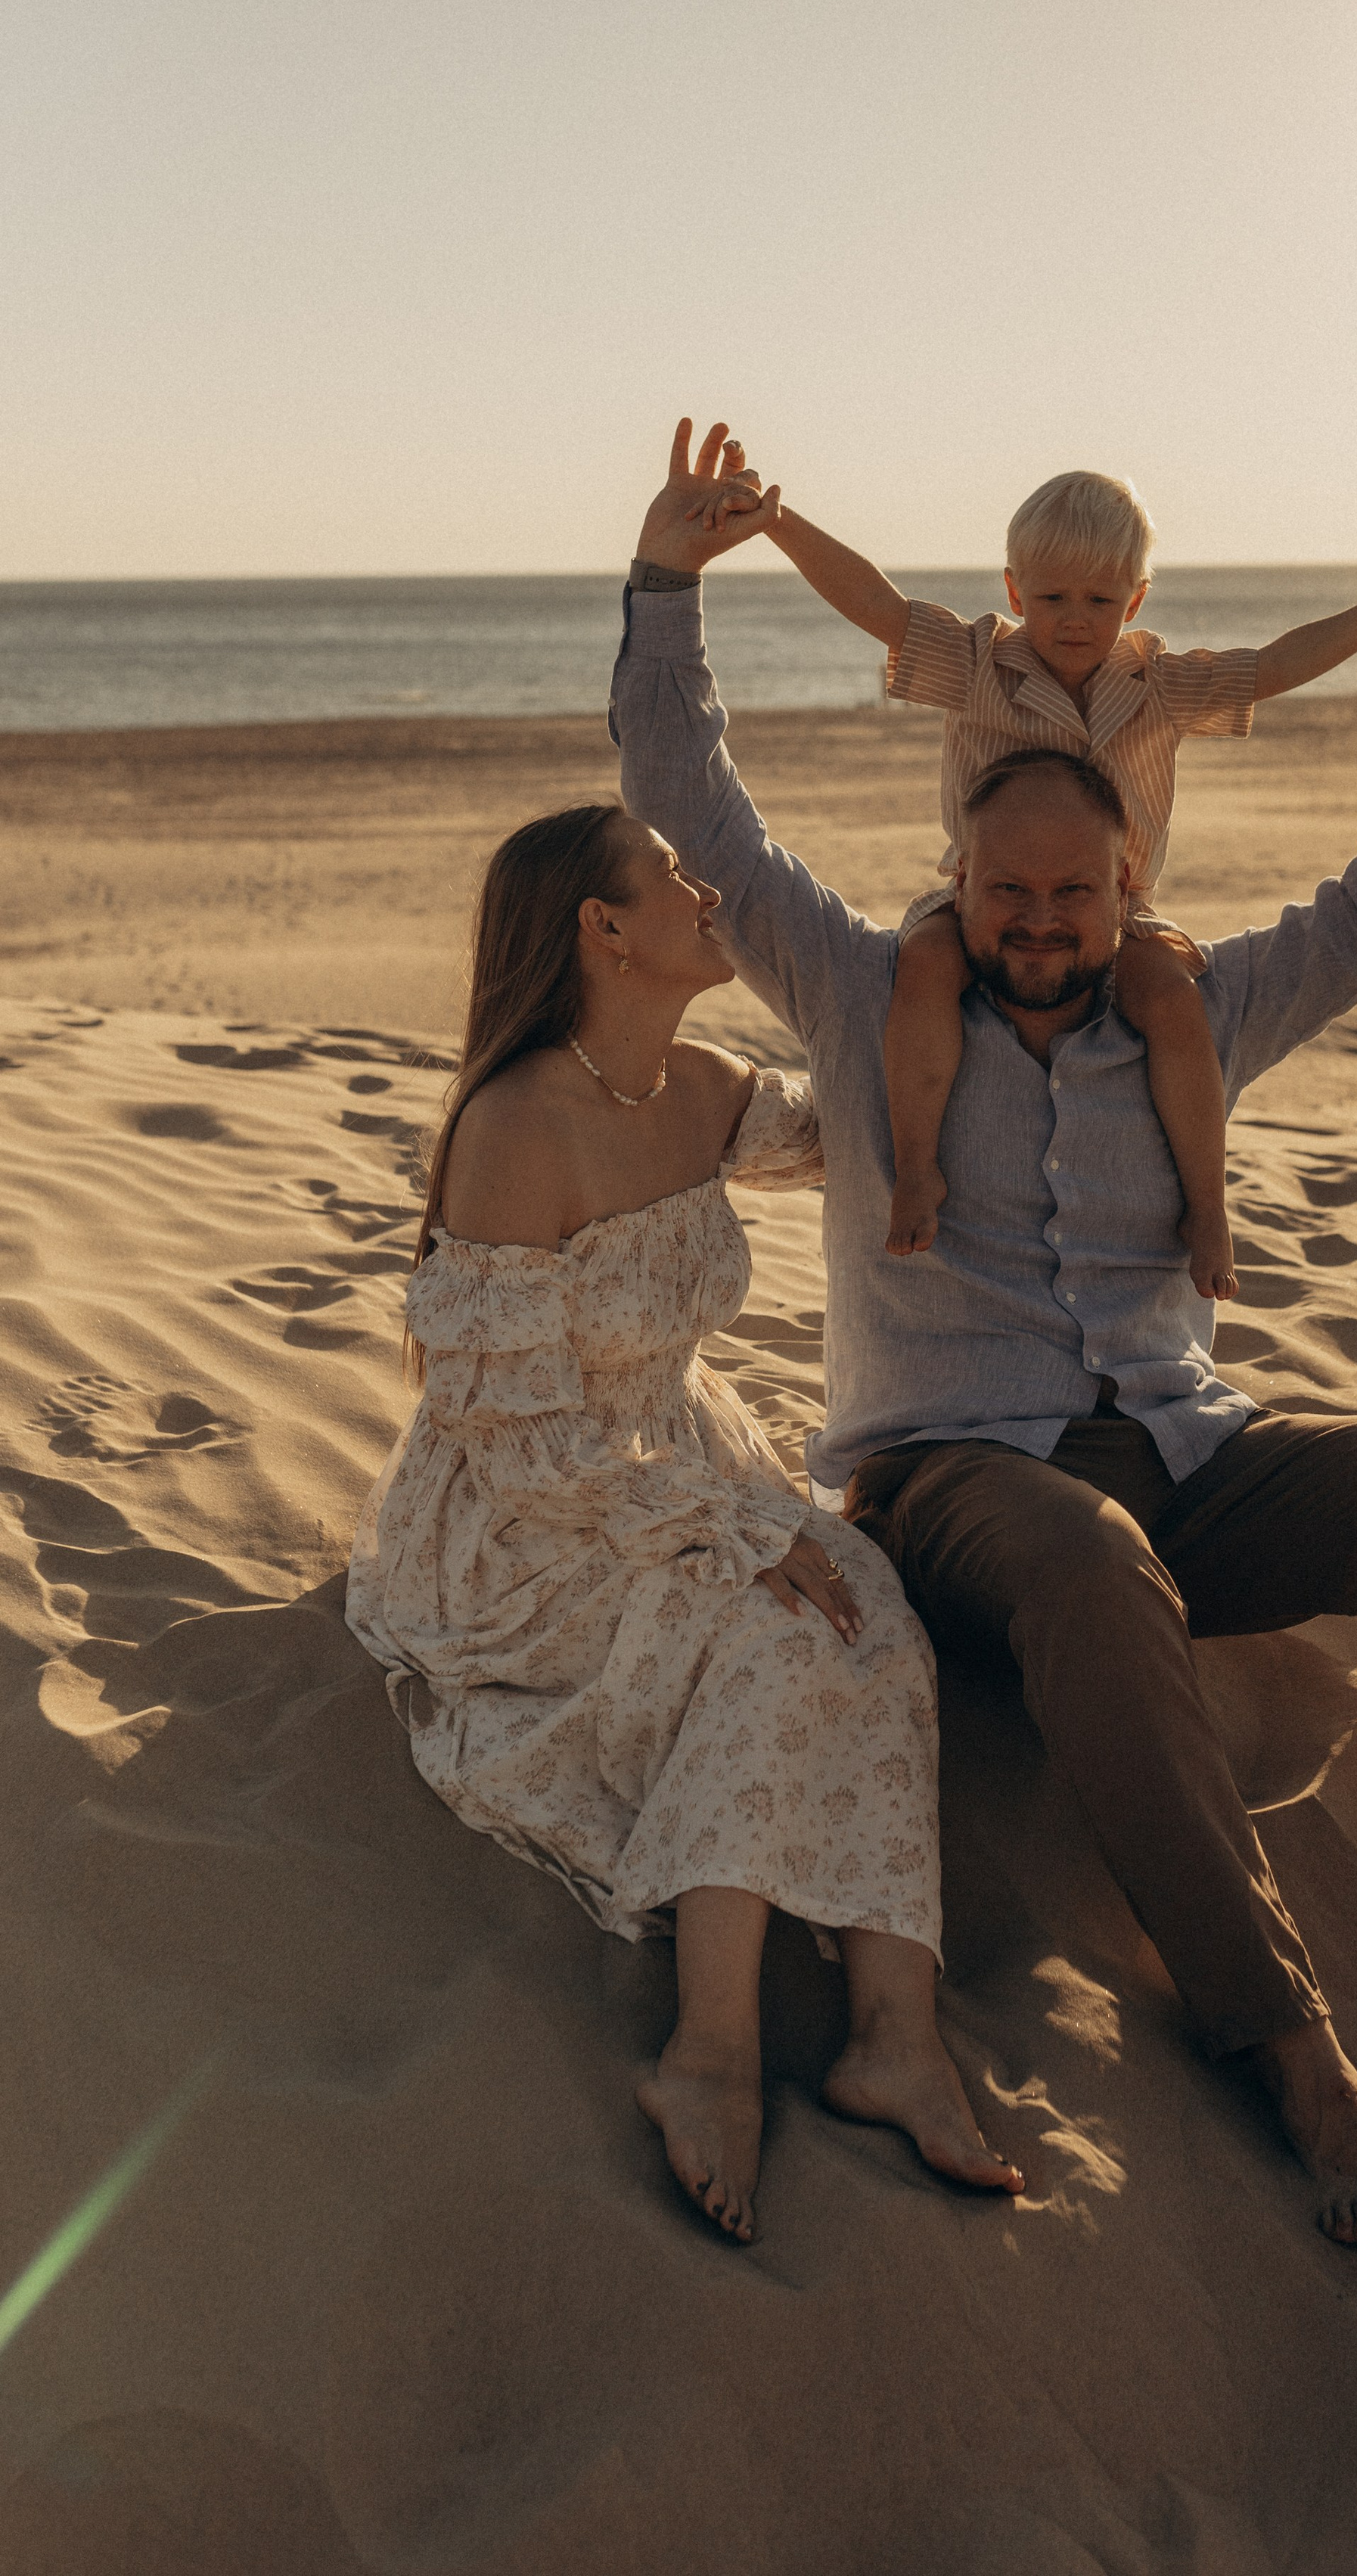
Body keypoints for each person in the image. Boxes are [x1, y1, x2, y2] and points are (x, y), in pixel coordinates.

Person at [613, 418, 1357, 2253]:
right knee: (1093, 1564)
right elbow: (686, 791)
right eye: (1007, 894)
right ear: (958, 876)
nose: (1038, 924)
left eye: (1074, 897)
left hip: (1184, 1447)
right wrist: (663, 582)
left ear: (1127, 895)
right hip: (958, 1477)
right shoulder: (860, 987)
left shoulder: (1190, 1013)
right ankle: (1282, 2038)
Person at [346, 797, 1022, 2244]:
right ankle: (709, 2049)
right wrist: (724, 1533)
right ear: (603, 929)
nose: (706, 890)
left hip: (679, 1458)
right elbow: (511, 1436)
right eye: (671, 876)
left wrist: (946, 954)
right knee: (768, 1637)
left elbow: (856, 1134)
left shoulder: (703, 1083)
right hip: (530, 1515)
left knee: (874, 1611)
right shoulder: (515, 1125)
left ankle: (894, 2034)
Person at [760, 466, 1357, 1296]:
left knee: (1171, 1002)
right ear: (1013, 588)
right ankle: (918, 1168)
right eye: (1052, 598)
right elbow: (876, 606)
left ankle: (1207, 1205)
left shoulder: (1158, 686)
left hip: (1116, 914)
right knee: (920, 967)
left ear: (1133, 601)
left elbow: (1275, 666)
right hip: (974, 903)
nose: (1073, 620)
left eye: (1098, 602)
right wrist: (778, 524)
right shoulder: (974, 665)